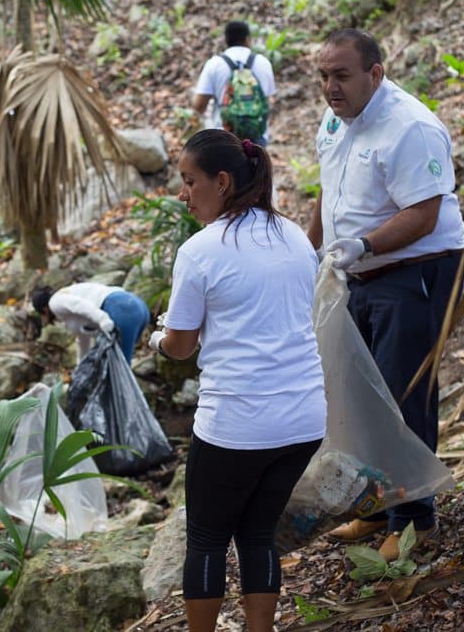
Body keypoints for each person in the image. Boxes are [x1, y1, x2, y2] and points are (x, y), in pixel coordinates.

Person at [149, 129, 326, 632]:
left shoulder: (202, 250)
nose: (182, 193)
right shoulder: (293, 235)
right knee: (257, 534)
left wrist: (158, 340)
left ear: (222, 182)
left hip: (237, 423)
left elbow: (181, 346)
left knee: (206, 538)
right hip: (303, 419)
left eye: (189, 182)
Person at [308, 28, 464, 560]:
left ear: (375, 73)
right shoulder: (336, 119)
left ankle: (416, 520)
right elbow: (327, 190)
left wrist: (365, 244)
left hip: (413, 269)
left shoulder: (411, 127)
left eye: (342, 76)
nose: (331, 87)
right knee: (359, 395)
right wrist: (312, 250)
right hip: (356, 272)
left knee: (403, 392)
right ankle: (376, 507)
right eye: (324, 76)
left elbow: (424, 216)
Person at [192, 20, 276, 147]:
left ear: (226, 40)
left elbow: (199, 106)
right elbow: (268, 102)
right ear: (248, 39)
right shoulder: (263, 63)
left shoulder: (214, 64)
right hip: (256, 139)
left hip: (223, 137)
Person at [31, 282, 150, 364]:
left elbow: (81, 306)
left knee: (120, 373)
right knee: (119, 368)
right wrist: (80, 366)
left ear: (44, 309)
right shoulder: (68, 298)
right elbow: (83, 340)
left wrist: (103, 319)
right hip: (136, 306)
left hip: (121, 309)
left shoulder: (55, 302)